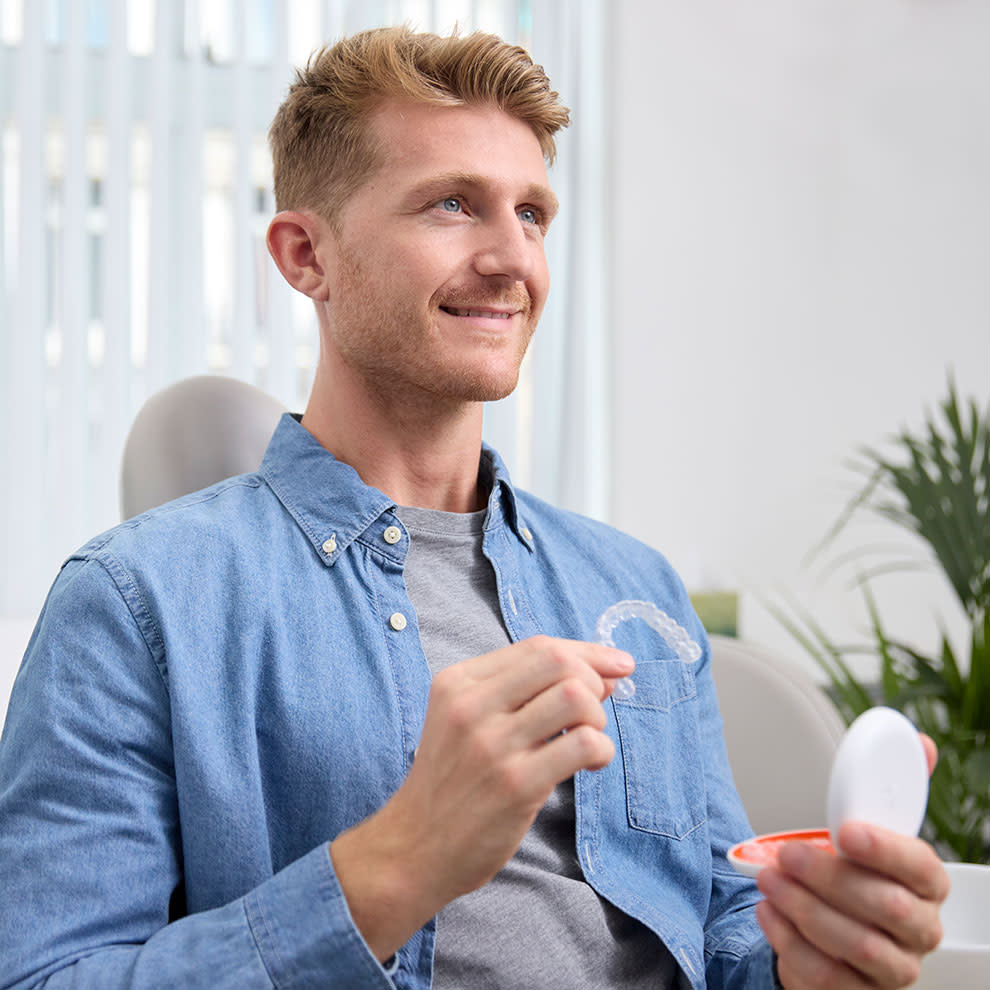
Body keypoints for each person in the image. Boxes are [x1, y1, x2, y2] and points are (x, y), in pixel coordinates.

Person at [0, 26, 947, 990]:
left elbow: (722, 927)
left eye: (532, 213)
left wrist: (806, 962)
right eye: (454, 204)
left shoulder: (630, 585)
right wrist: (391, 869)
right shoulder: (131, 605)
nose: (513, 258)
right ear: (304, 255)